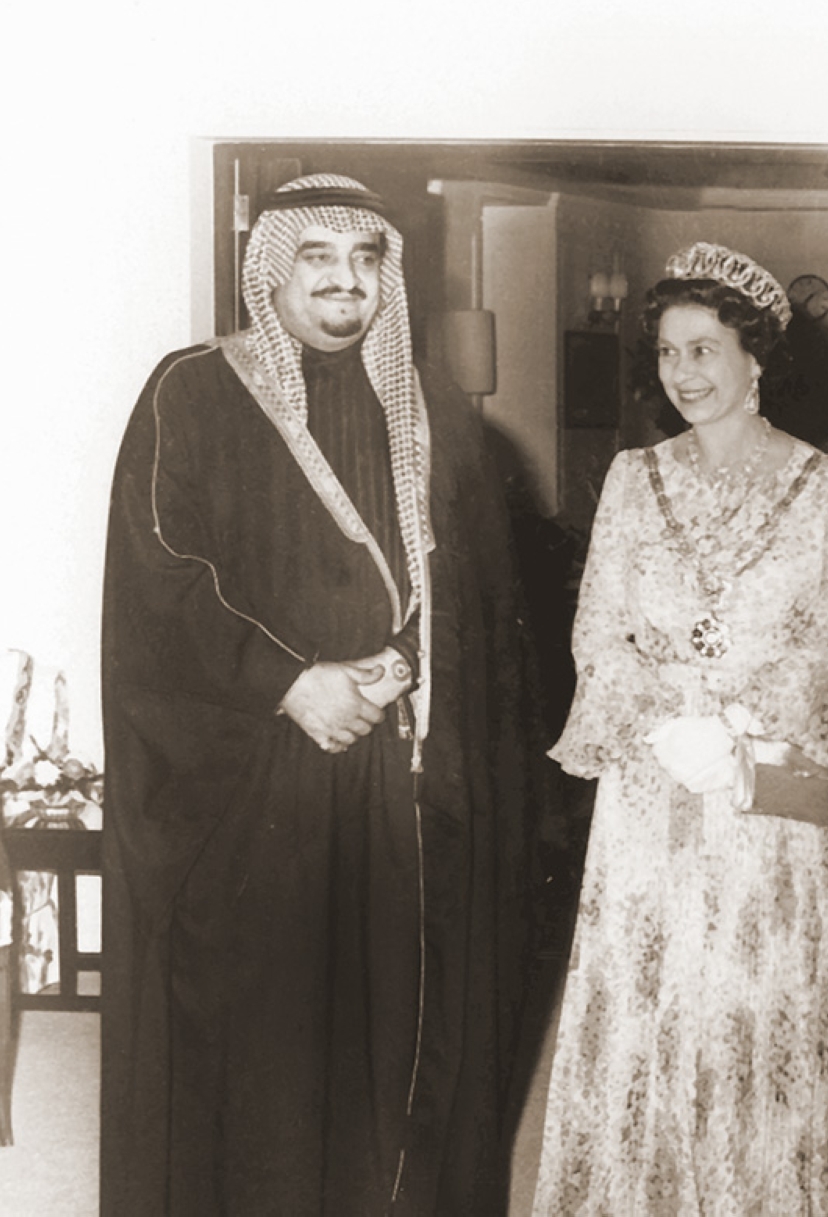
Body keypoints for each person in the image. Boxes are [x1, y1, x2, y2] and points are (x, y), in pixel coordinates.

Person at [100, 173, 534, 1214]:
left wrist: (409, 661)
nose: (347, 281)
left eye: (366, 258)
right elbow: (160, 572)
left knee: (391, 1023)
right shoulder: (195, 389)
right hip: (259, 777)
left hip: (395, 771)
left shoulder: (434, 413)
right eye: (318, 256)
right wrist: (291, 683)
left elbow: (480, 581)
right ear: (271, 268)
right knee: (269, 1040)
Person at [532, 242, 828, 1214]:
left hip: (764, 795)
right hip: (648, 791)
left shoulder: (825, 485)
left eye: (704, 349)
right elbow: (596, 632)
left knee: (748, 1016)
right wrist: (665, 723)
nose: (683, 372)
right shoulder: (632, 480)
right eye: (669, 353)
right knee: (650, 1009)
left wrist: (731, 723)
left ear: (754, 358)